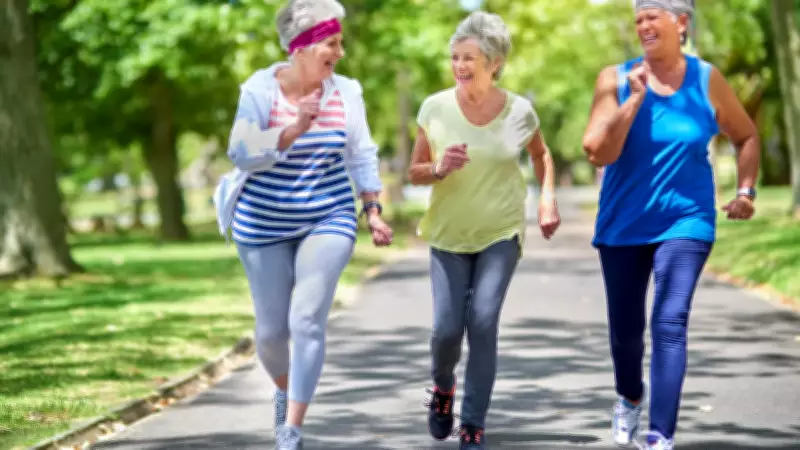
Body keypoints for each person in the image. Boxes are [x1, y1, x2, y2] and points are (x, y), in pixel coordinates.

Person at [212, 0, 393, 448]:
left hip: (327, 214)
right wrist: (293, 128)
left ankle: (290, 430)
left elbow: (361, 153)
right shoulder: (259, 91)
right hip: (262, 221)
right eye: (332, 42)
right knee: (272, 332)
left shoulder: (346, 92)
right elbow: (240, 151)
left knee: (307, 319)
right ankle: (284, 388)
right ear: (303, 46)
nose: (340, 52)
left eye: (340, 42)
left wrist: (372, 210)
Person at [582, 1, 760, 449]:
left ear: (681, 23)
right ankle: (629, 396)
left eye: (653, 17)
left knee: (670, 320)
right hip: (624, 223)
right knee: (626, 333)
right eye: (638, 19)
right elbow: (597, 152)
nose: (643, 25)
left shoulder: (707, 80)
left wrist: (745, 191)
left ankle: (660, 436)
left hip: (688, 219)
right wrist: (635, 99)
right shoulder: (615, 79)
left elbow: (746, 135)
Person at [408, 11, 561, 450]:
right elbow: (414, 171)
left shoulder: (519, 112)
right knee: (445, 330)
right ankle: (442, 389)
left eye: (469, 57)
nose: (459, 65)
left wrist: (547, 199)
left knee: (483, 320)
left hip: (500, 231)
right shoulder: (434, 108)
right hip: (447, 234)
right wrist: (437, 168)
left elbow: (542, 155)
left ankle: (472, 422)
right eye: (455, 57)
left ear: (494, 63)